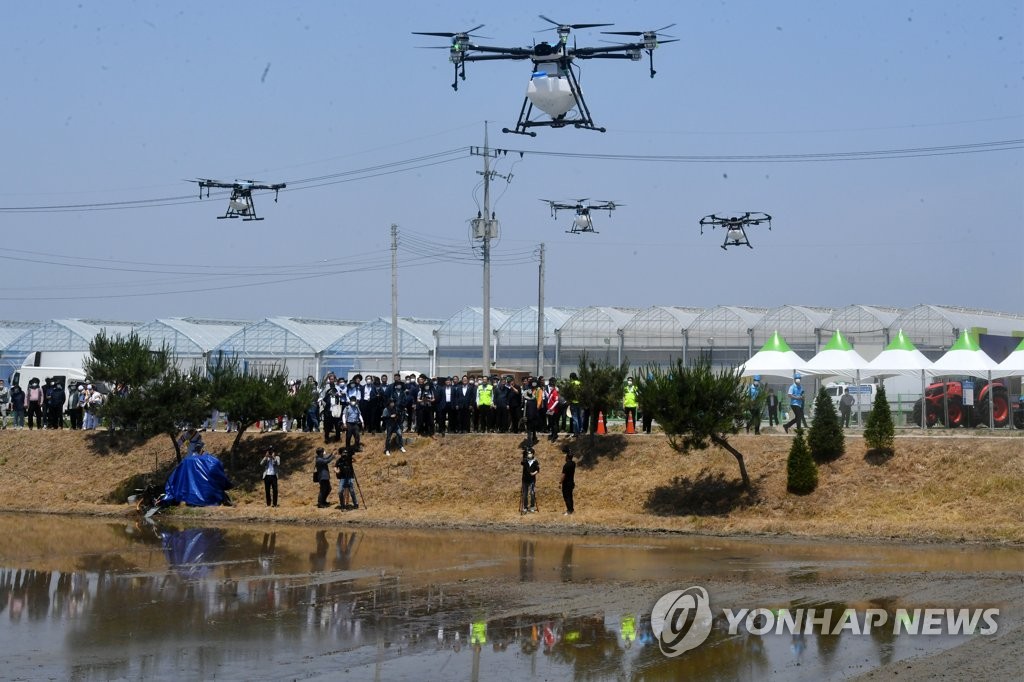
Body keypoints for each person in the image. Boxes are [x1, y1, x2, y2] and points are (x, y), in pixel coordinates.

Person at [521, 447, 539, 514]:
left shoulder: (535, 461)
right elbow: (522, 462)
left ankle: (532, 507)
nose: (529, 454)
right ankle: (525, 507)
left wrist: (533, 473)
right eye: (528, 453)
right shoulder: (525, 461)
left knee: (532, 493)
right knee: (525, 494)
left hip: (532, 480)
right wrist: (523, 455)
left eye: (530, 453)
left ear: (533, 454)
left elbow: (538, 470)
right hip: (525, 480)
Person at [560, 446, 576, 515]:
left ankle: (569, 510)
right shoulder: (573, 464)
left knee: (566, 497)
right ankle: (571, 509)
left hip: (566, 483)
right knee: (570, 496)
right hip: (571, 482)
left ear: (567, 457)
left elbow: (563, 475)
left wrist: (560, 482)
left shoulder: (566, 465)